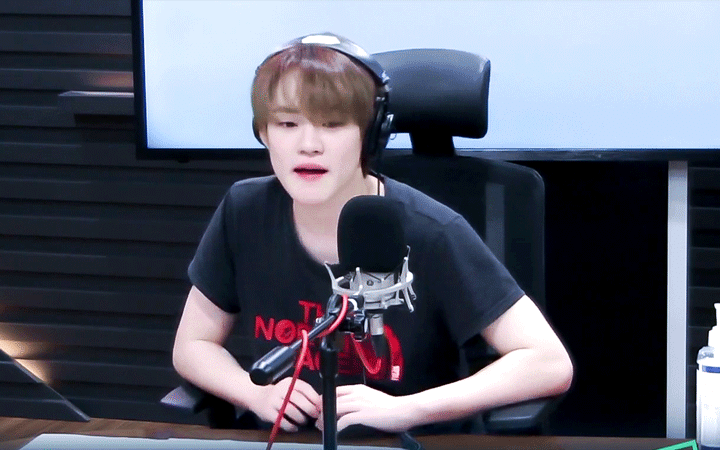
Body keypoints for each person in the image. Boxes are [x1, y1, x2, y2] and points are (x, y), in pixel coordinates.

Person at [172, 33, 573, 434]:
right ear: (263, 132)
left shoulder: (431, 231)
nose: (308, 145)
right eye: (287, 124)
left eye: (332, 125)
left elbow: (548, 362)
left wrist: (408, 409)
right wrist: (253, 393)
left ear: (371, 133)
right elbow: (193, 345)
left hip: (409, 441)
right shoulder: (245, 211)